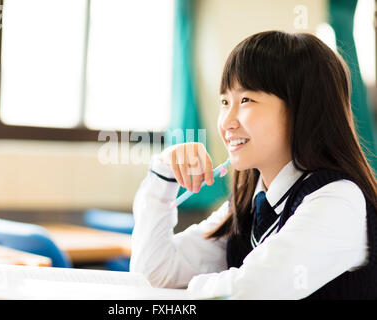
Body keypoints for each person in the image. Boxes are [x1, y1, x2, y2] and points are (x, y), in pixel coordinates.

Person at [129, 30, 377, 299]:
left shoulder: (338, 200)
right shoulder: (250, 204)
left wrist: (198, 286)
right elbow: (153, 274)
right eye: (225, 102)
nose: (226, 122)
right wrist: (163, 174)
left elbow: (253, 291)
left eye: (246, 100)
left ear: (303, 108)